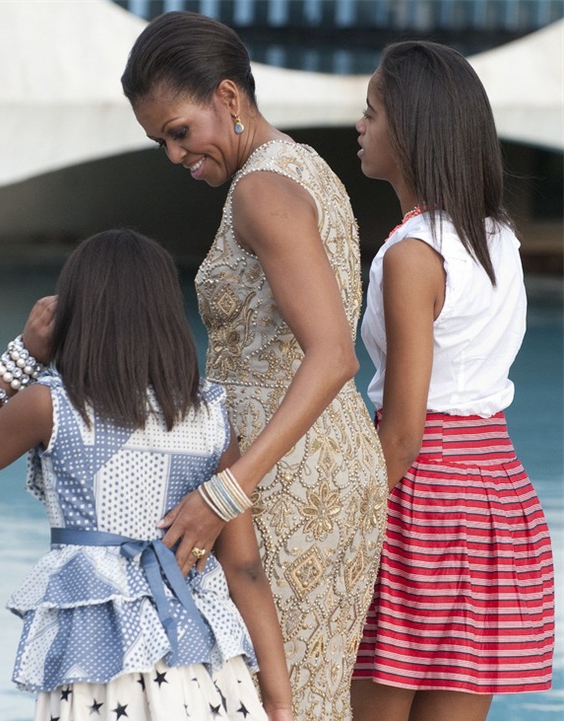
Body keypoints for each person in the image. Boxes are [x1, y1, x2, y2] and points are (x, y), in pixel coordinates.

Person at [115, 11, 389, 721]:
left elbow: (334, 354)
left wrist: (225, 492)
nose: (174, 154)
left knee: (275, 696)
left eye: (180, 131)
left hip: (282, 477)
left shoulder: (260, 190)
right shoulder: (305, 168)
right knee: (300, 693)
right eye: (159, 141)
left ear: (229, 97)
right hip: (314, 460)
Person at [0, 229, 295, 721]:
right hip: (199, 662)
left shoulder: (52, 406)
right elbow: (244, 567)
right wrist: (279, 700)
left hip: (95, 660)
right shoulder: (211, 416)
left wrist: (23, 357)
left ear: (76, 315)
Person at [350, 41, 555, 721]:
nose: (359, 124)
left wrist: (343, 528)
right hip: (494, 494)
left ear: (410, 130)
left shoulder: (413, 254)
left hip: (419, 497)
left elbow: (404, 429)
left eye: (372, 111)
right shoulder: (499, 239)